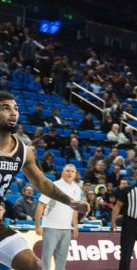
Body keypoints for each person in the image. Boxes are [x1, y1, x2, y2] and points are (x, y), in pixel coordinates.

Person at [0, 91, 89, 270]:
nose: (13, 112)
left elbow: (42, 183)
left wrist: (71, 201)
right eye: (5, 108)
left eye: (15, 109)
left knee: (35, 265)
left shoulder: (24, 151)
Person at [35, 164, 82, 270]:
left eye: (72, 171)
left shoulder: (77, 189)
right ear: (62, 172)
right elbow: (41, 205)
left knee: (62, 259)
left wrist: (75, 226)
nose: (70, 173)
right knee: (46, 258)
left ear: (75, 174)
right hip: (51, 227)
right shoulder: (53, 186)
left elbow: (75, 209)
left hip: (66, 229)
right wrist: (37, 225)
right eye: (67, 171)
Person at [111, 168, 137, 270]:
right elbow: (117, 206)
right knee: (126, 253)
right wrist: (113, 222)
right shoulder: (127, 190)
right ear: (134, 176)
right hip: (130, 224)